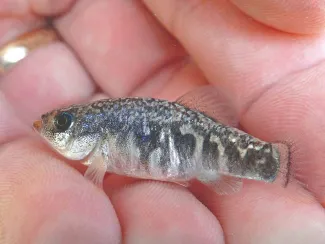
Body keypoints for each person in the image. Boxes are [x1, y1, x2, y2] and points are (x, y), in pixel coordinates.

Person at [0, 1, 325, 243]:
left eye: (63, 122)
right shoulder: (97, 145)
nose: (48, 127)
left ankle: (274, 162)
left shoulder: (100, 144)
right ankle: (274, 163)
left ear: (92, 129)